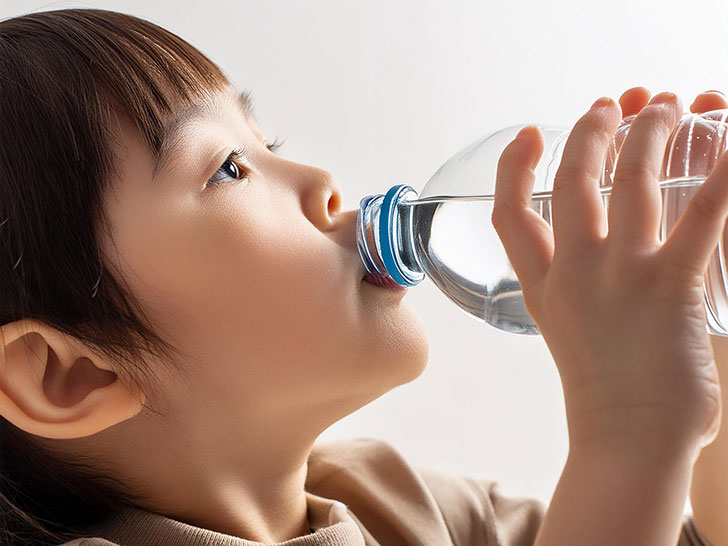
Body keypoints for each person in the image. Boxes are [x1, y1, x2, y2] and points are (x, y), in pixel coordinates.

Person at [0, 8, 725, 546]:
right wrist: (628, 428)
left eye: (265, 142)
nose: (323, 181)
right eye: (228, 169)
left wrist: (707, 298)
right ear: (71, 376)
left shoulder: (396, 503)